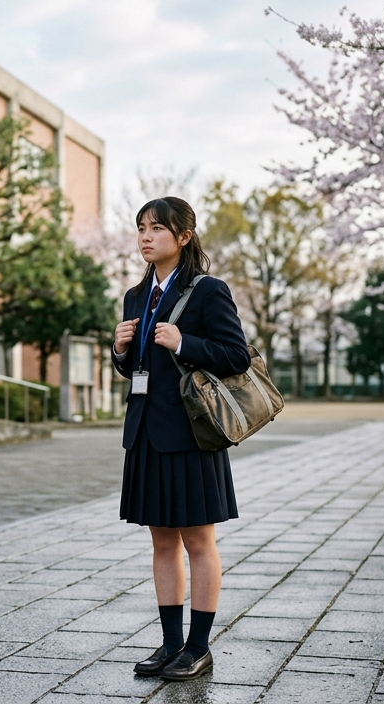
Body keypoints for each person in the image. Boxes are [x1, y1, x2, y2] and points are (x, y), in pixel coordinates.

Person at [110, 196, 251, 682]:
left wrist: (184, 342)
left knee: (198, 540)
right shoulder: (135, 296)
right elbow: (138, 369)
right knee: (162, 541)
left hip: (192, 433)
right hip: (146, 433)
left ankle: (198, 647)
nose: (146, 237)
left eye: (156, 228)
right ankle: (171, 644)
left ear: (184, 236)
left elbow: (236, 356)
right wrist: (120, 350)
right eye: (141, 228)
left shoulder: (208, 290)